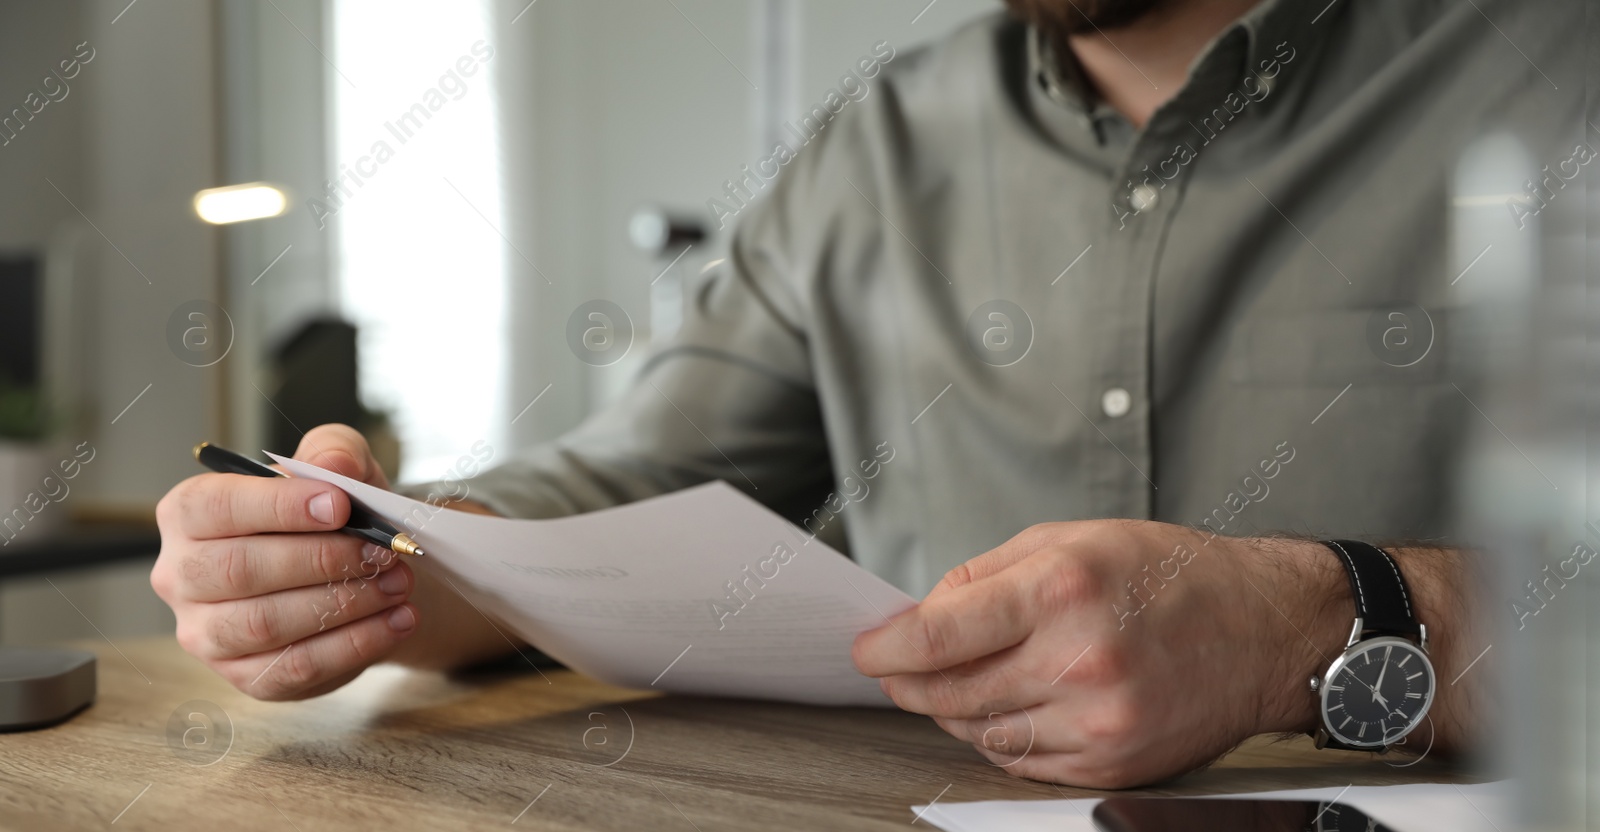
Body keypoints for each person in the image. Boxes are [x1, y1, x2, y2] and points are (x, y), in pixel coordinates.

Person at [151, 0, 1577, 787]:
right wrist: (380, 559)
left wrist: (1311, 625)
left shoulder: (1558, 73)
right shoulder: (875, 145)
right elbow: (616, 492)